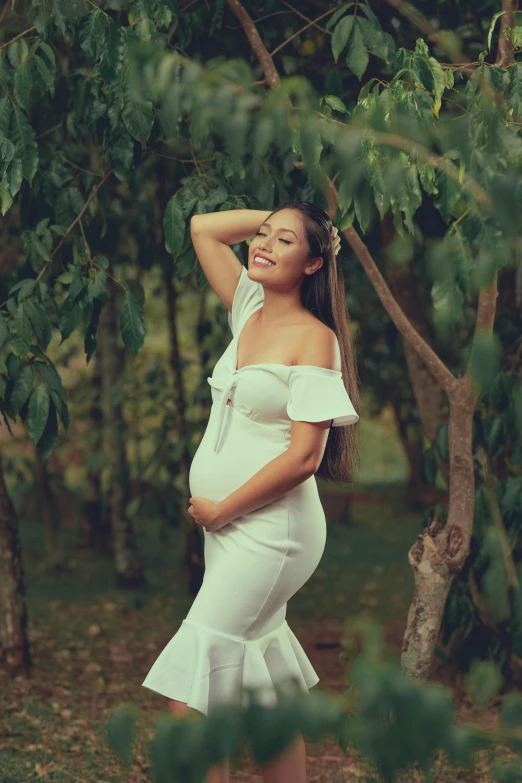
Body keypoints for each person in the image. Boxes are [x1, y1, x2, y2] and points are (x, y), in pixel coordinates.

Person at [142, 199, 361, 783]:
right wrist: (293, 220)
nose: (262, 244)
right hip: (231, 528)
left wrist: (223, 509)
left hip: (270, 530)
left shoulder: (316, 341)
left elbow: (305, 457)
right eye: (262, 235)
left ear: (315, 264)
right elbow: (201, 226)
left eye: (284, 242)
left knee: (191, 697)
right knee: (260, 687)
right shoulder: (250, 308)